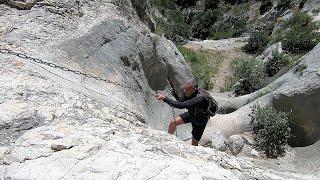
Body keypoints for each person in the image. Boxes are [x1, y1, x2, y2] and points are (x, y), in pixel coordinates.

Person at [155, 79, 211, 146]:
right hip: (191, 113)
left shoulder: (200, 98)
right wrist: (170, 102)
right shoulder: (188, 93)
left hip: (200, 120)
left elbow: (181, 105)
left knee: (194, 143)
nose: (185, 91)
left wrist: (165, 99)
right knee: (173, 122)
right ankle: (167, 141)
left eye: (187, 90)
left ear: (194, 89)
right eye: (185, 89)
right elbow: (179, 102)